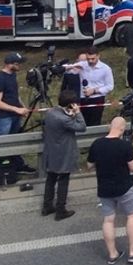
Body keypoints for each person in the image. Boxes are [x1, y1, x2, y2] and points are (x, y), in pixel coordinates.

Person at [87, 116, 133, 264]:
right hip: (124, 187)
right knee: (131, 216)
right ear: (122, 129)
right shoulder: (124, 146)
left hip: (104, 188)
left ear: (110, 126)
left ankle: (112, 254)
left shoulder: (97, 144)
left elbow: (89, 166)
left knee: (108, 220)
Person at [41, 88, 86, 220]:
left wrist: (70, 114)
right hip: (64, 152)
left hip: (51, 151)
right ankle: (61, 209)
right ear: (71, 104)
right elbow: (82, 127)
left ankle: (47, 205)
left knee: (51, 178)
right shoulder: (64, 120)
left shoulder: (50, 113)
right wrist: (78, 113)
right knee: (63, 180)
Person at [68, 47, 114, 127]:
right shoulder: (82, 65)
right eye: (88, 59)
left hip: (97, 99)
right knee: (82, 122)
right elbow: (68, 69)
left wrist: (95, 91)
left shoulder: (105, 69)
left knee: (95, 122)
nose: (90, 61)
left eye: (93, 59)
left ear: (98, 56)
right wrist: (68, 68)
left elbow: (110, 86)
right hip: (82, 99)